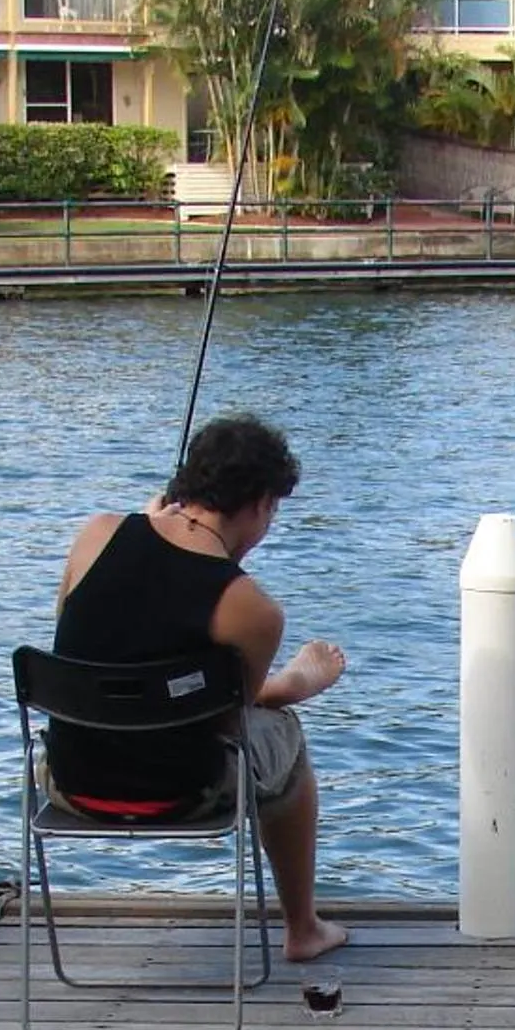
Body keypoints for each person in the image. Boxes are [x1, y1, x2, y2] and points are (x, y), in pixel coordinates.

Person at [52, 412, 349, 962]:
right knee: (284, 733)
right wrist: (301, 681)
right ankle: (303, 929)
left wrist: (138, 532)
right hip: (179, 792)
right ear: (261, 503)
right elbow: (227, 719)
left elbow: (76, 647)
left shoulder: (96, 533)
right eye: (273, 512)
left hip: (66, 783)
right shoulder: (251, 607)